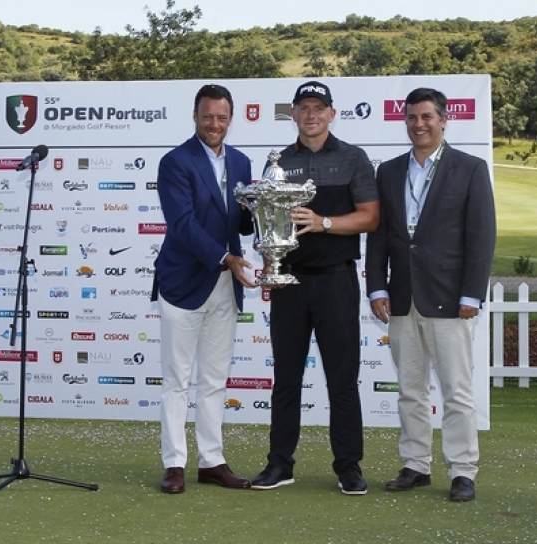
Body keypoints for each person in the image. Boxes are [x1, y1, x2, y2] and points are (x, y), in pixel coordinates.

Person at [365, 87, 496, 502]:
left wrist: (472, 294)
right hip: (401, 297)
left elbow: (481, 236)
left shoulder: (470, 168)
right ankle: (415, 465)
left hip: (449, 297)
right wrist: (377, 285)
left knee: (456, 390)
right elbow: (380, 236)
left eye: (426, 117)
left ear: (443, 119)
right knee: (410, 388)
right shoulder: (387, 171)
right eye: (412, 117)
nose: (419, 124)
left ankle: (462, 471)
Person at [250, 80, 379, 495]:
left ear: (331, 114)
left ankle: (348, 466)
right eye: (303, 107)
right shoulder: (278, 162)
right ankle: (279, 464)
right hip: (288, 282)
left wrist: (323, 222)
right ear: (294, 114)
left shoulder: (354, 158)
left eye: (318, 108)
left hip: (337, 281)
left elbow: (370, 218)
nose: (311, 115)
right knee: (286, 378)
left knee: (343, 380)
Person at [153, 83, 257, 494]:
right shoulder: (175, 162)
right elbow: (182, 225)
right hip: (183, 282)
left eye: (222, 117)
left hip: (225, 286)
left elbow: (243, 223)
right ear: (195, 116)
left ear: (231, 119)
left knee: (215, 379)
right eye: (208, 116)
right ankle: (174, 463)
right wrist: (226, 258)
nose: (215, 124)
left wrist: (260, 215)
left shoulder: (243, 161)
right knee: (177, 380)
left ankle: (211, 460)